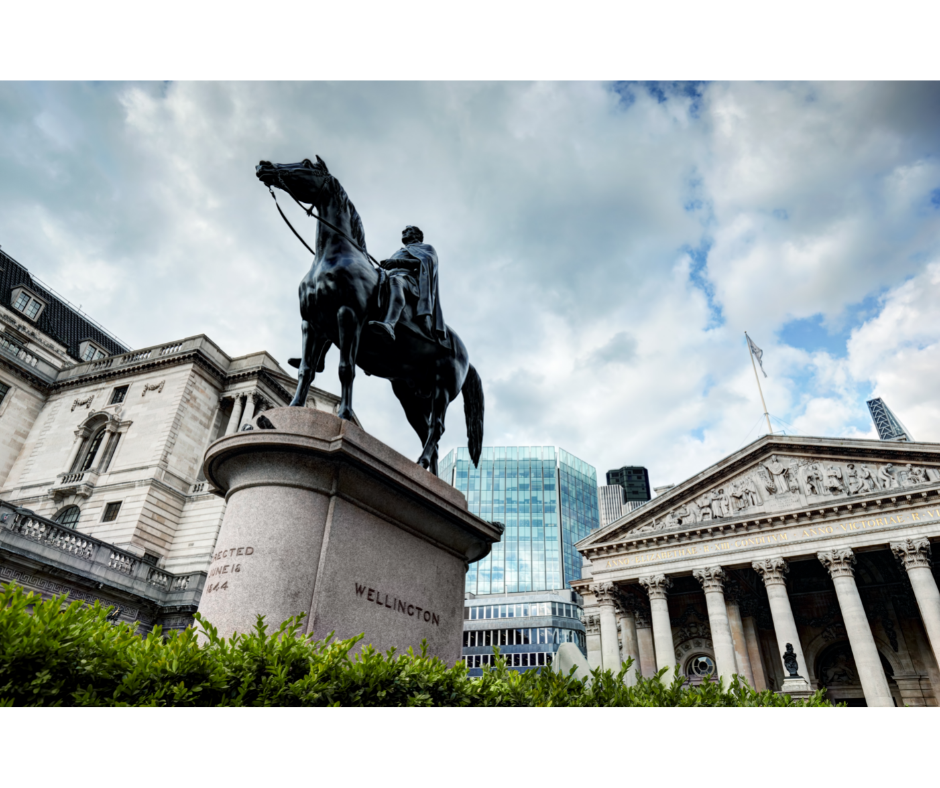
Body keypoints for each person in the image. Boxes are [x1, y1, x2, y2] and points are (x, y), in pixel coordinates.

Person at [369, 225, 447, 343]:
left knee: (396, 281)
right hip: (389, 275)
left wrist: (397, 262)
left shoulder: (427, 248)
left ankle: (390, 324)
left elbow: (426, 263)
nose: (404, 232)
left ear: (417, 235)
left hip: (409, 281)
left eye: (408, 230)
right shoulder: (400, 250)